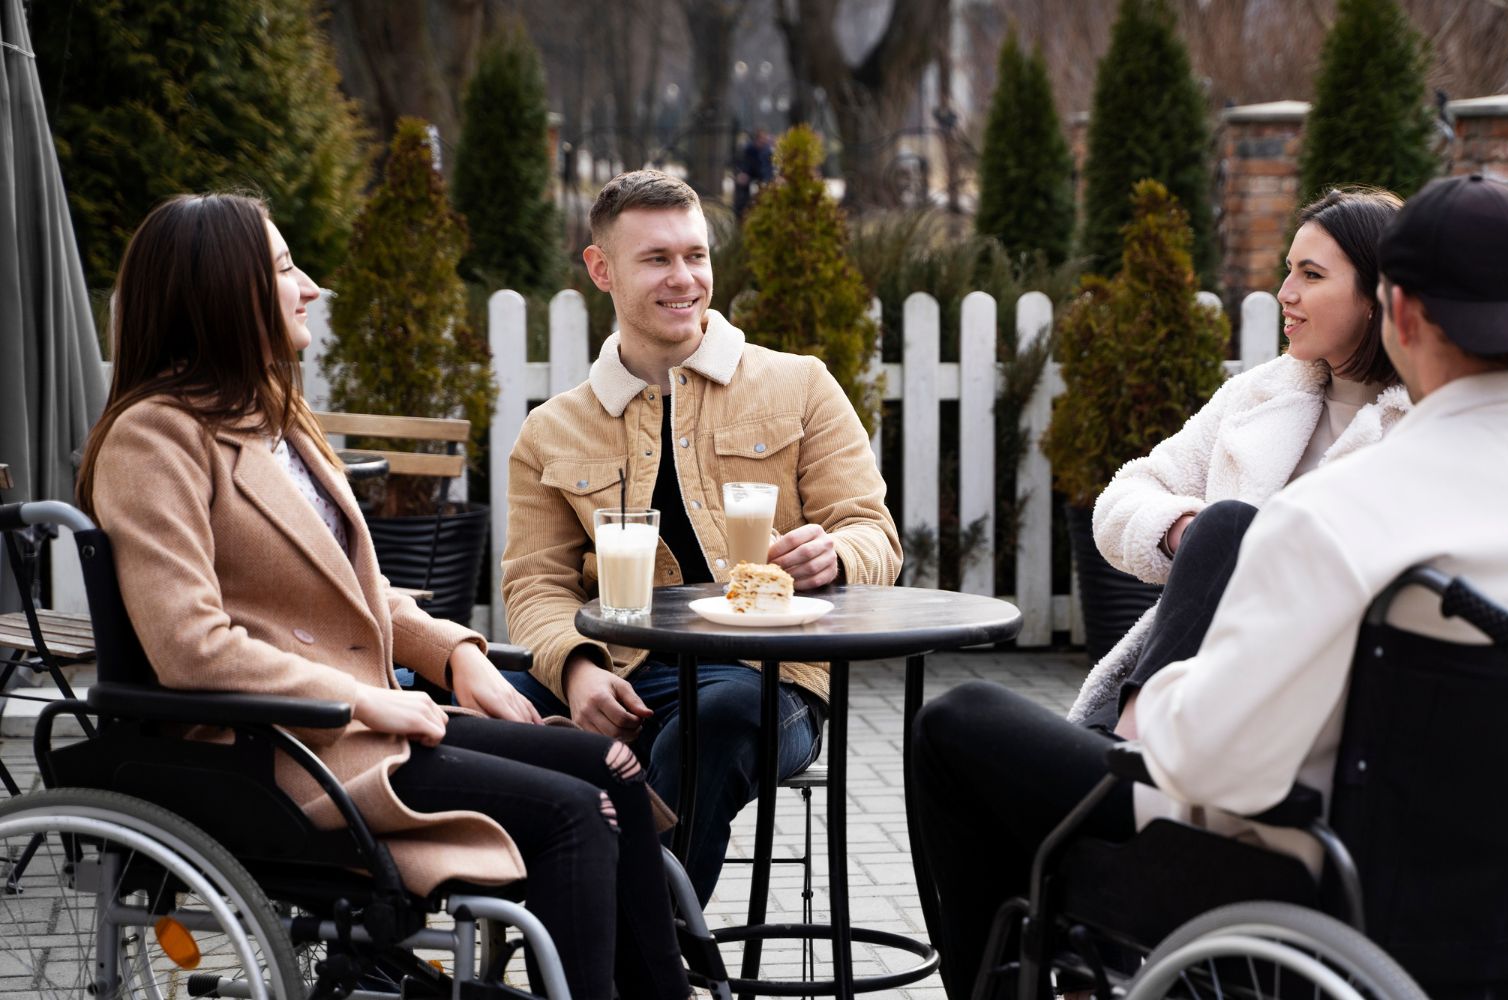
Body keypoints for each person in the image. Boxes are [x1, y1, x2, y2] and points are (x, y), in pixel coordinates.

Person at [911, 175, 1508, 999]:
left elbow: (1206, 764)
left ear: (1396, 313)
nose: (1288, 294)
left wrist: (1167, 693)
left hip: (1313, 885)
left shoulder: (1337, 516)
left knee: (959, 723)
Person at [76, 193, 688, 1000]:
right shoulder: (154, 438)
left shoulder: (276, 419)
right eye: (287, 268)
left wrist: (457, 655)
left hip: (353, 731)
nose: (312, 288)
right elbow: (192, 646)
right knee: (575, 810)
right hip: (277, 750)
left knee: (606, 763)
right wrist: (367, 705)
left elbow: (353, 594)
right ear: (225, 289)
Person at [502, 169, 901, 903]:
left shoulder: (800, 385)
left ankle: (637, 955)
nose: (683, 278)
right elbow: (534, 585)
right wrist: (576, 669)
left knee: (709, 727)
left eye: (696, 256)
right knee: (443, 697)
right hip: (617, 671)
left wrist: (835, 554)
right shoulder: (551, 430)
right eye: (656, 259)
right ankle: (452, 937)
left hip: (761, 678)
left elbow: (874, 533)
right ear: (602, 270)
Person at [1069, 188, 1411, 732]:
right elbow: (1126, 495)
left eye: (1311, 275)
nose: (1284, 292)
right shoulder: (1262, 393)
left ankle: (1133, 745)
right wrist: (1188, 533)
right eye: (1287, 271)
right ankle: (1132, 737)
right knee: (958, 719)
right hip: (1183, 676)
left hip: (1294, 713)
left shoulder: (1420, 427)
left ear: (1377, 294)